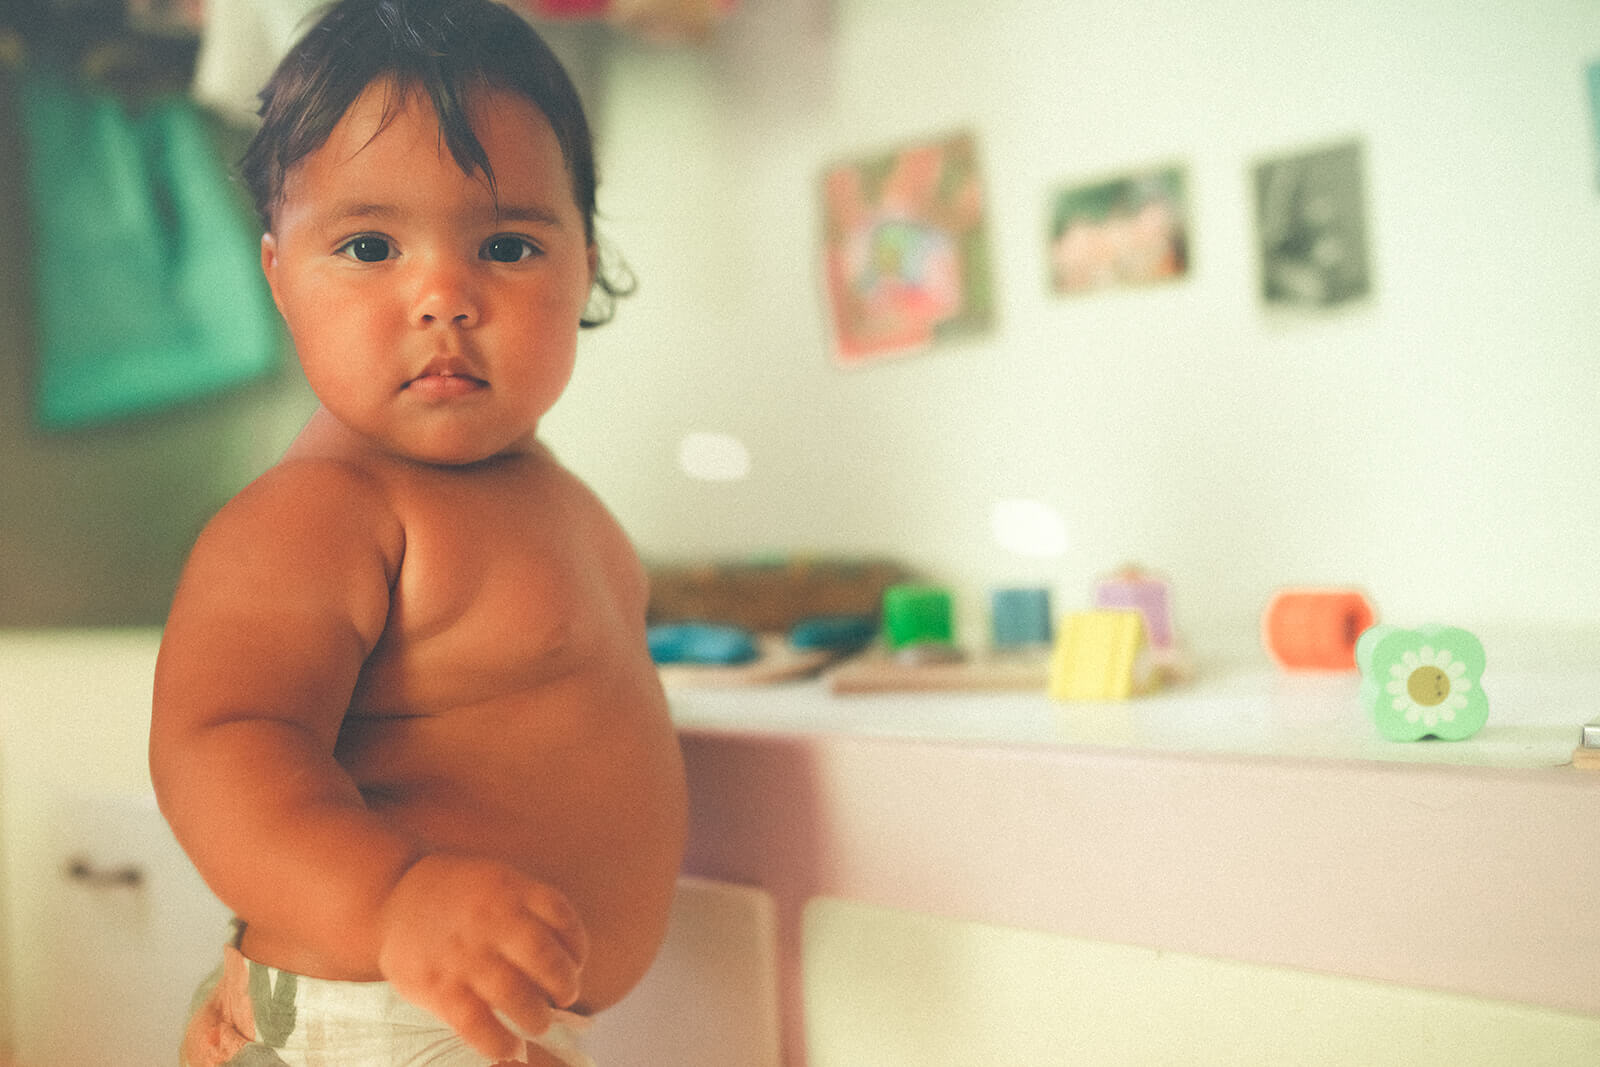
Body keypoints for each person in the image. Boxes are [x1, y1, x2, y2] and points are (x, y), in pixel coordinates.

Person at [148, 1, 687, 1063]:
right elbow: (219, 747)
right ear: (278, 278)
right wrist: (393, 898)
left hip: (487, 1016)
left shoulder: (560, 502)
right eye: (367, 244)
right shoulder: (321, 511)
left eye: (505, 243)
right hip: (381, 1004)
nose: (443, 295)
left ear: (584, 261)